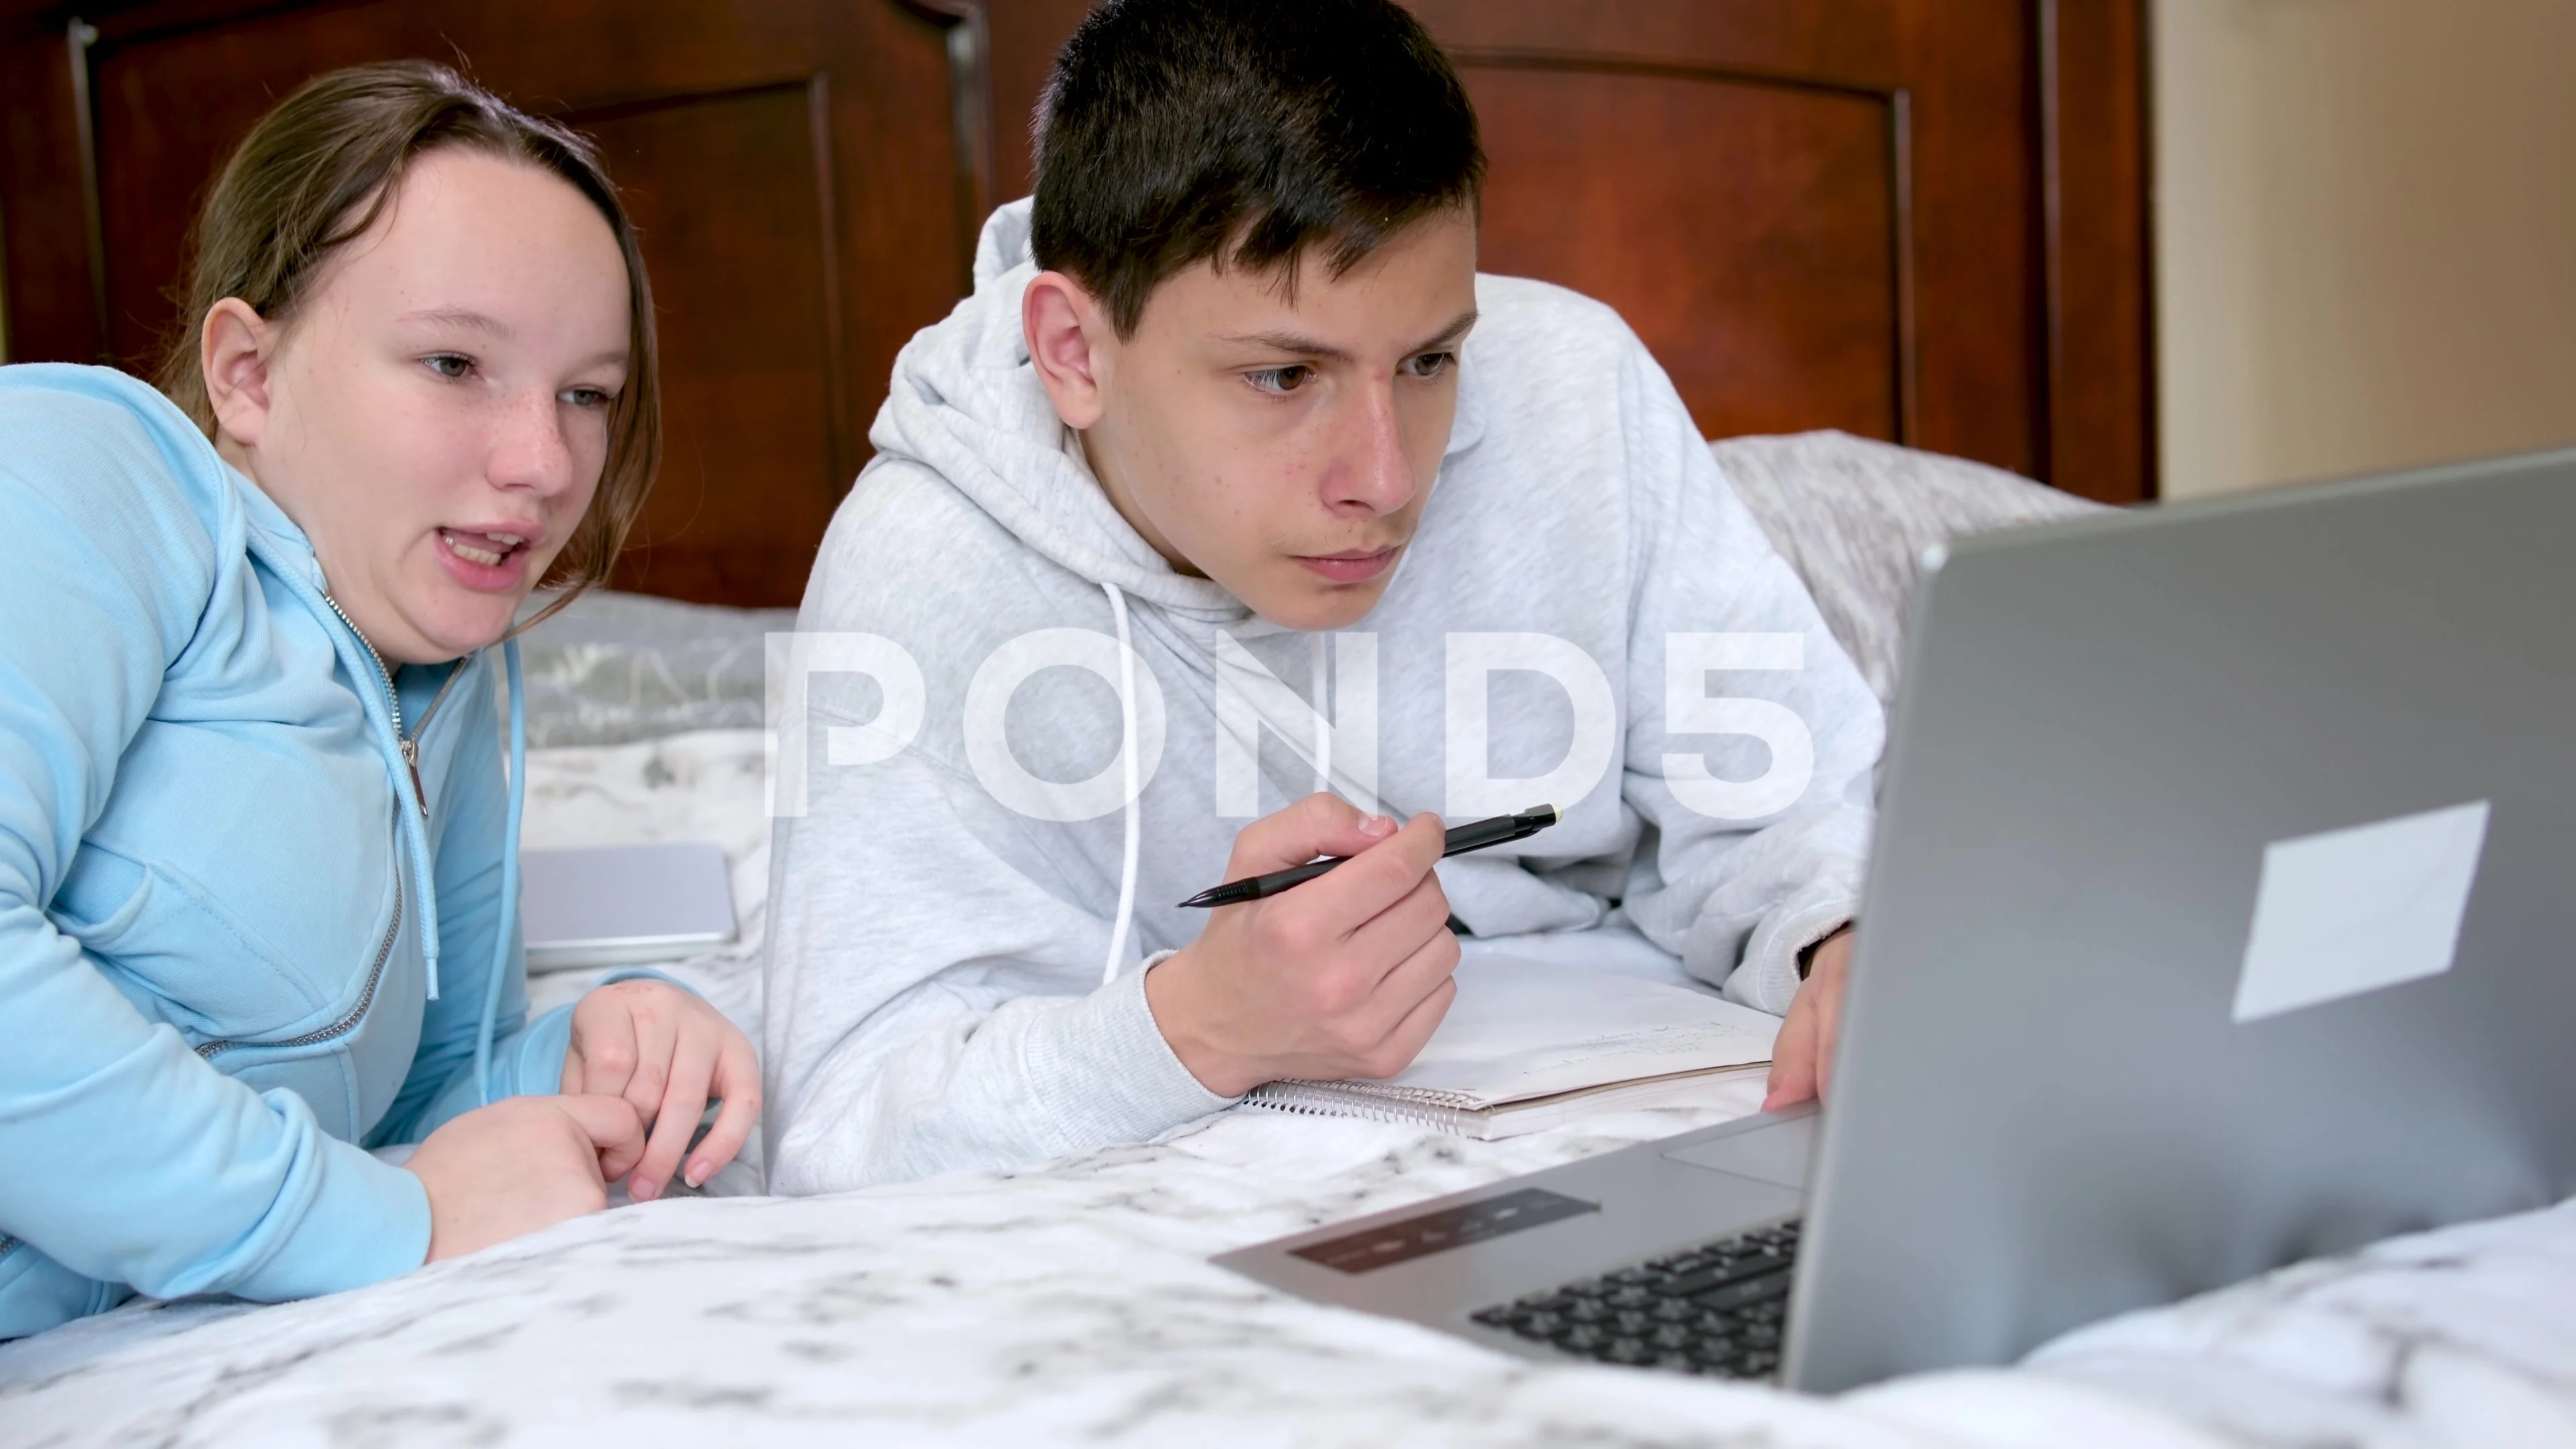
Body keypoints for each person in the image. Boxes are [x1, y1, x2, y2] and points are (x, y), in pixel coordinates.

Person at [761, 0, 1879, 1195]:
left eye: (1428, 362)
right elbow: (840, 1129)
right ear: (1074, 354)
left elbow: (1798, 816)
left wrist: (1854, 942)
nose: (1388, 481)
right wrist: (1202, 1025)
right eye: (1284, 375)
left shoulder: (1583, 388)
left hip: (1660, 1152)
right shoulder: (923, 564)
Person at [0, 62, 757, 1340]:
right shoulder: (90, 471)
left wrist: (591, 1054)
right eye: (455, 362)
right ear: (247, 374)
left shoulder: (449, 665)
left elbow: (402, 1118)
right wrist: (382, 1228)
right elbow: (398, 1196)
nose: (545, 462)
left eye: (589, 394)